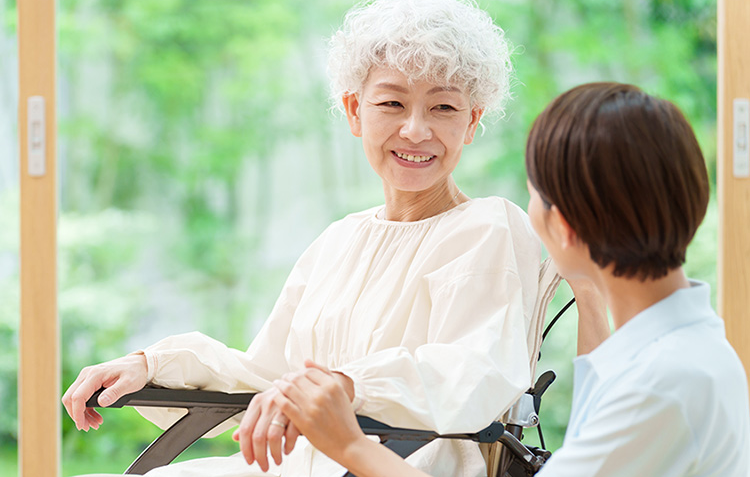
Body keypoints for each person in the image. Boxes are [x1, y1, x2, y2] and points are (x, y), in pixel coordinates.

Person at [63, 0, 559, 477]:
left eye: (444, 109)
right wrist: (153, 365)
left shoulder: (488, 225)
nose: (414, 130)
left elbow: (472, 371)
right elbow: (268, 376)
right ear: (353, 111)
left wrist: (342, 386)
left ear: (472, 122)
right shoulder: (339, 241)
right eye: (391, 103)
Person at [271, 82, 750, 477]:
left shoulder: (661, 386)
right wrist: (585, 288)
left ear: (562, 226)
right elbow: (594, 421)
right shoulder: (689, 353)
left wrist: (351, 446)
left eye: (534, 195)